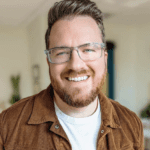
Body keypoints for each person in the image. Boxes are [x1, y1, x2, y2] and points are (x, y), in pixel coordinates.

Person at [0, 0, 144, 149]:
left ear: (105, 58)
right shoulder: (7, 126)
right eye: (61, 52)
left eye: (88, 49)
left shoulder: (131, 124)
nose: (76, 65)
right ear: (49, 62)